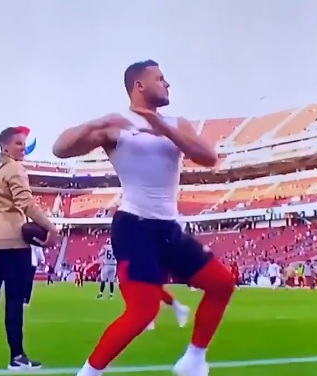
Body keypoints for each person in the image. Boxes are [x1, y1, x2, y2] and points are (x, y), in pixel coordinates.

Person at [53, 60, 235, 376]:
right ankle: (88, 373)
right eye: (160, 79)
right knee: (142, 311)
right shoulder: (116, 126)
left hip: (169, 227)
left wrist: (161, 126)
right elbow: (60, 148)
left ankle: (194, 360)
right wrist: (96, 122)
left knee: (221, 283)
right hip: (134, 225)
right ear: (139, 85)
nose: (168, 84)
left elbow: (208, 157)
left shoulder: (177, 123)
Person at [0, 127, 59, 371]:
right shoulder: (14, 168)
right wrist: (51, 228)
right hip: (13, 242)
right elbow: (26, 203)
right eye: (18, 143)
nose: (22, 148)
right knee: (14, 300)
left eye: (24, 144)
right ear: (5, 146)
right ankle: (17, 357)